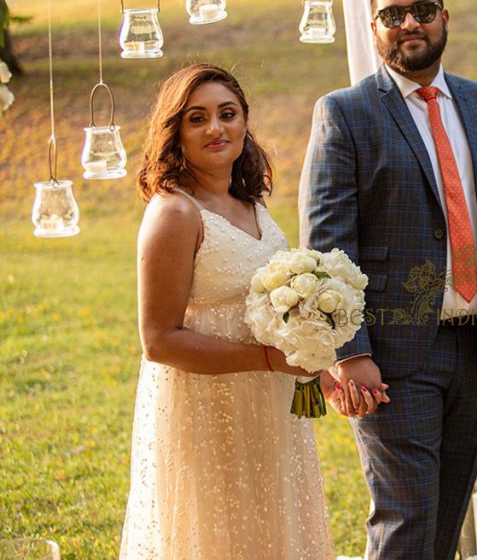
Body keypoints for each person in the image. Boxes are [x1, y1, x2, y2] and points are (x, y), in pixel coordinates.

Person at [298, 0, 477, 560]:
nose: (410, 23)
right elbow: (328, 244)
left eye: (422, 11)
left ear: (444, 19)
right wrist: (350, 352)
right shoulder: (347, 113)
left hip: (476, 348)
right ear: (374, 27)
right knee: (407, 522)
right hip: (391, 356)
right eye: (392, 14)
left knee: (444, 521)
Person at [120, 64, 334, 559]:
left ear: (244, 123)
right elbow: (158, 340)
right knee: (221, 531)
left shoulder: (250, 202)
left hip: (268, 401)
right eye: (197, 118)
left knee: (268, 524)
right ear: (175, 132)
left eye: (227, 114)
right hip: (206, 406)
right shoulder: (174, 213)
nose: (215, 129)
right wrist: (266, 359)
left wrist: (314, 351)